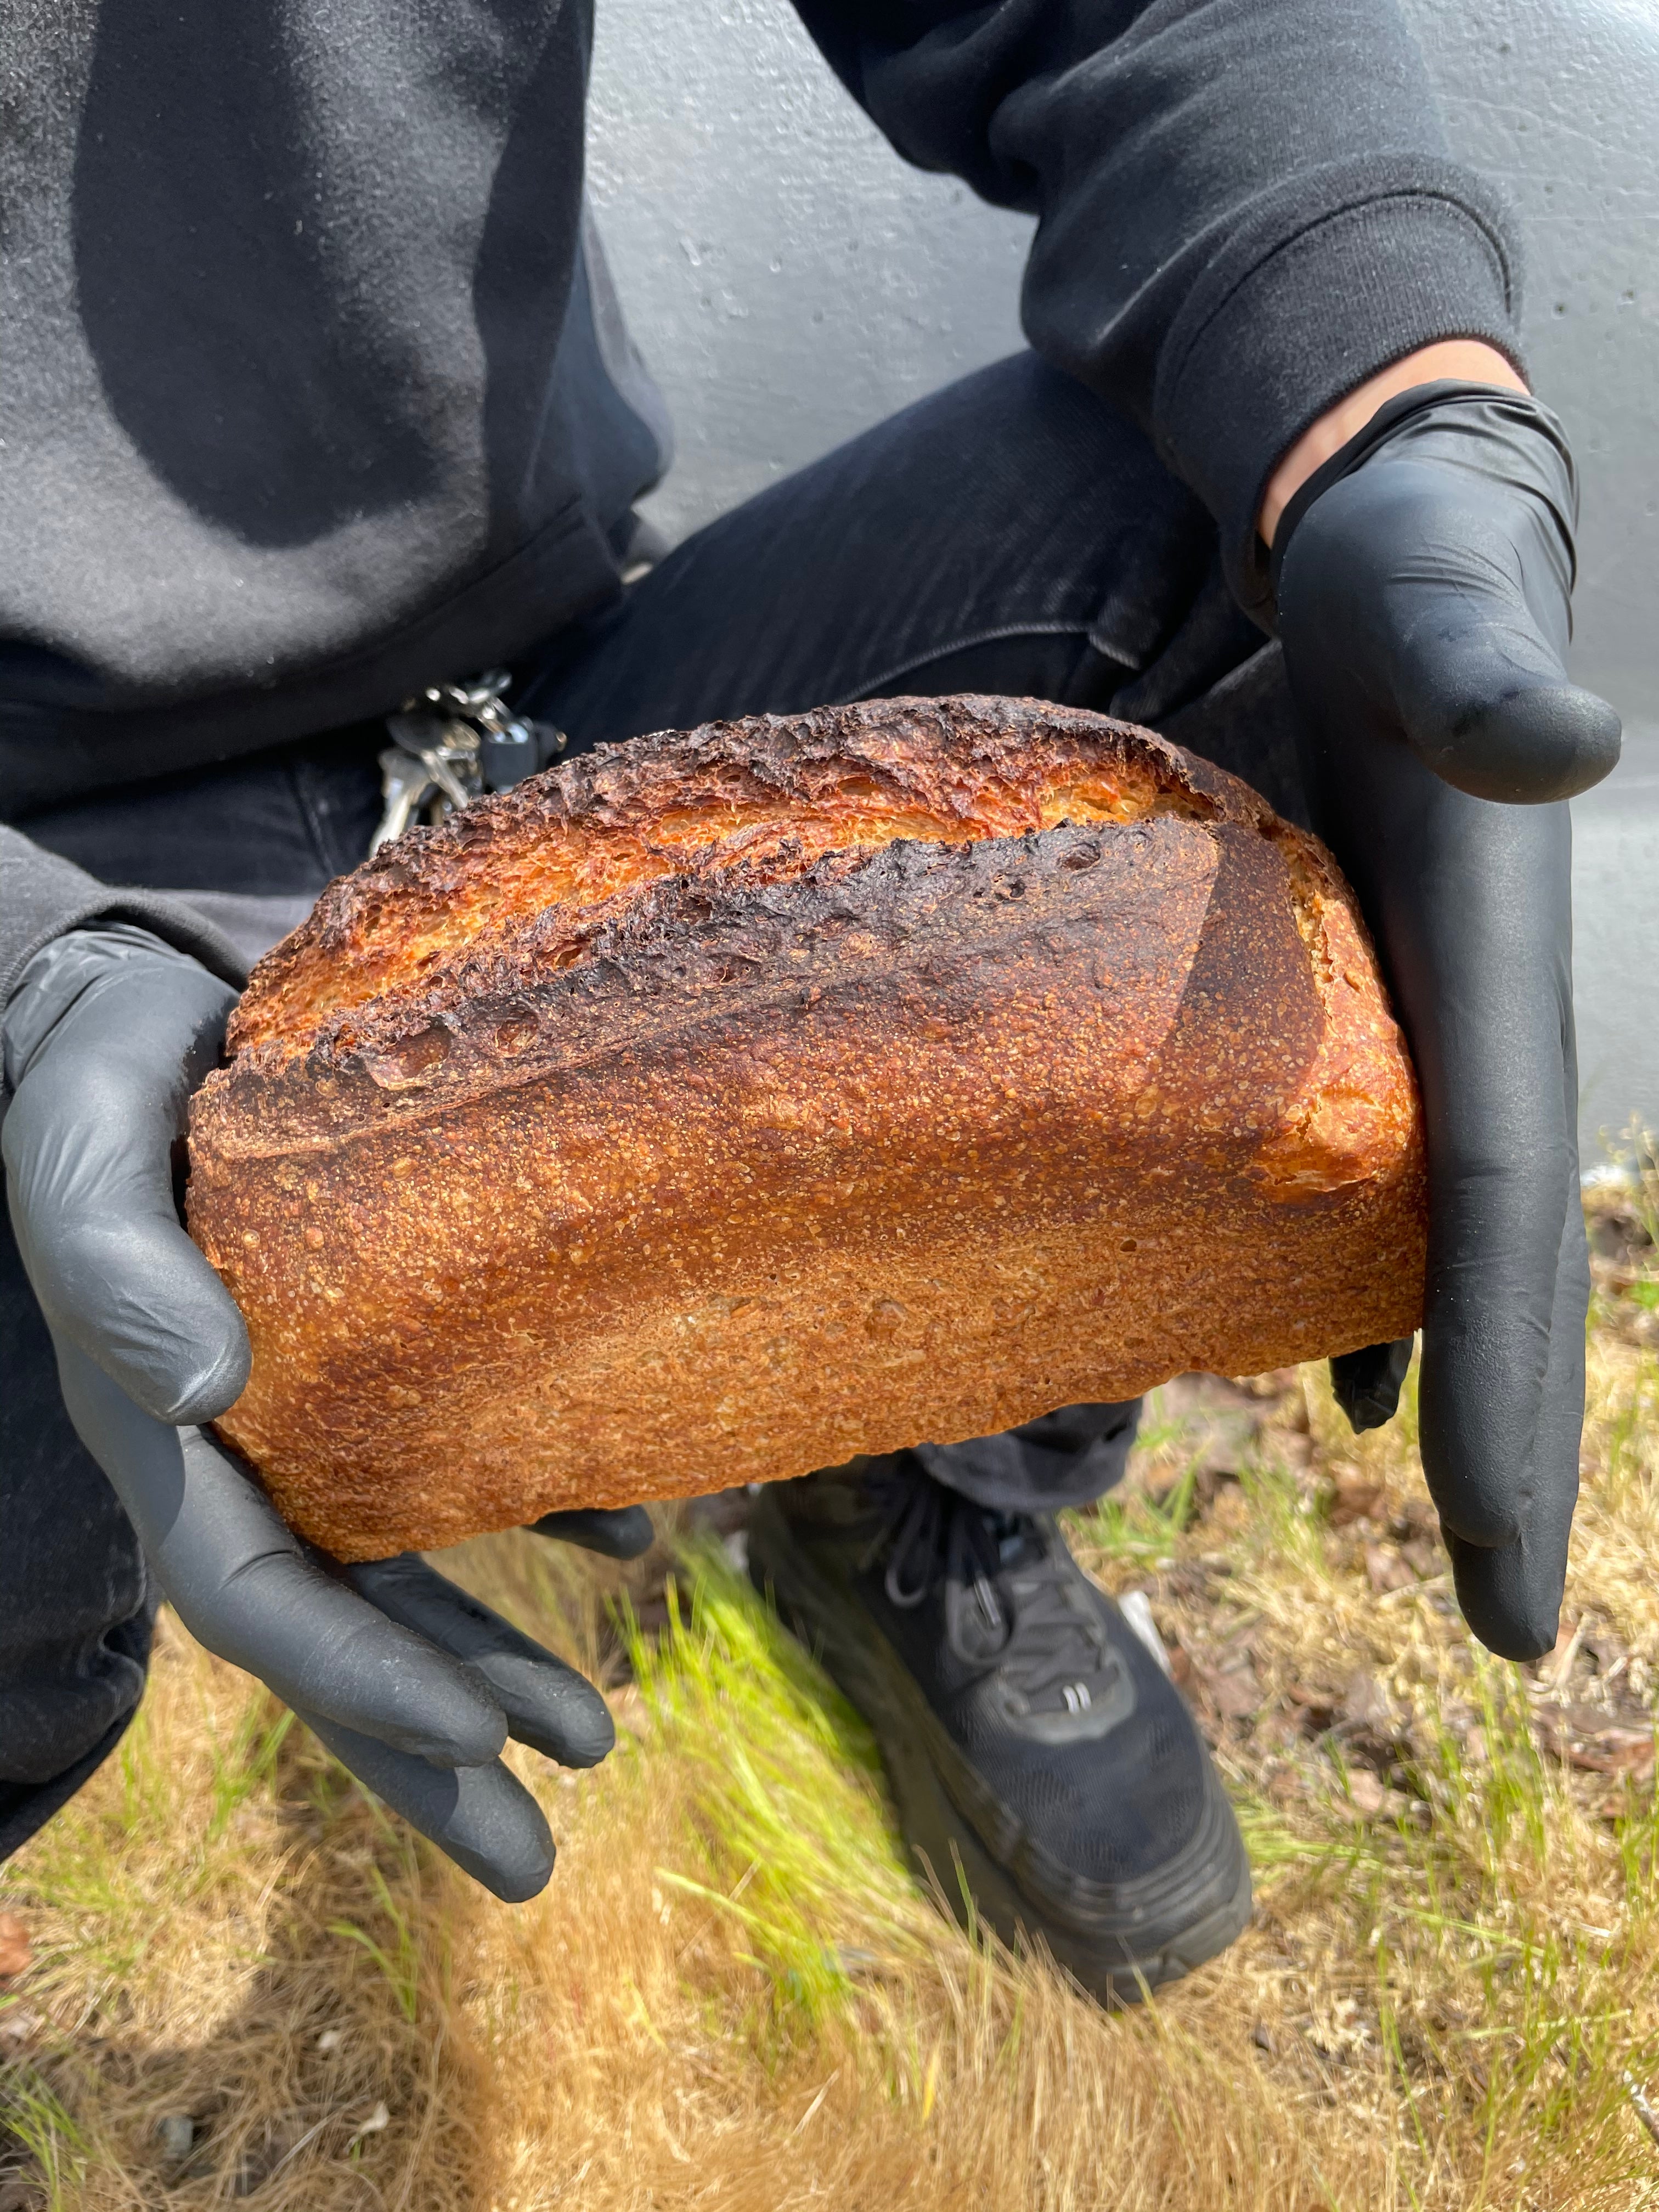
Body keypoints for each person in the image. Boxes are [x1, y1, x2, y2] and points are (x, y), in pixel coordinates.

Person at [0, 0, 1620, 2005]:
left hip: (534, 706)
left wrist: (1392, 395)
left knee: (1237, 513)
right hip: (57, 867)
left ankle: (937, 1497)